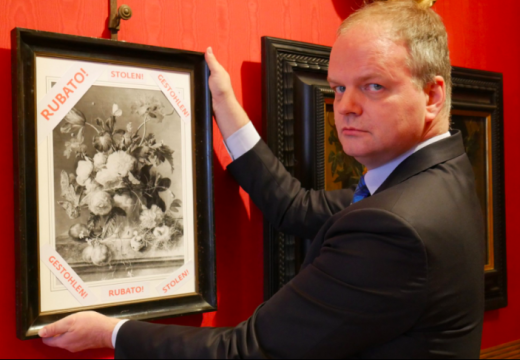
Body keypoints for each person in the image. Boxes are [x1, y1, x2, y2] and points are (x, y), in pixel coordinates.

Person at [39, 0, 485, 358]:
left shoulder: (395, 225)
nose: (345, 107)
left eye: (373, 86)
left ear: (431, 95)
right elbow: (297, 208)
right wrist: (227, 109)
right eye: (339, 88)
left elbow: (247, 351)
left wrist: (111, 332)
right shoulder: (438, 175)